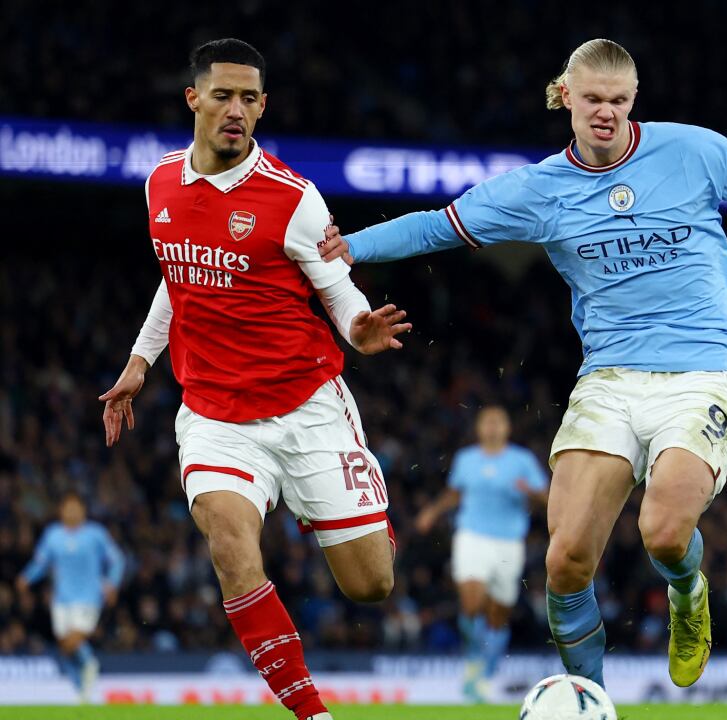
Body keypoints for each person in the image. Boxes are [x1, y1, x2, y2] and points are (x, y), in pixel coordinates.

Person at [318, 38, 727, 688]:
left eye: (618, 99)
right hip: (608, 378)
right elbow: (439, 224)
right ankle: (594, 700)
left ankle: (688, 592)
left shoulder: (691, 150)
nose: (605, 112)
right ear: (567, 99)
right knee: (565, 560)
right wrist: (350, 246)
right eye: (592, 100)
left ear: (633, 98)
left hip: (704, 372)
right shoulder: (537, 189)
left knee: (664, 533)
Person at [97, 39, 411, 720]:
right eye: (223, 96)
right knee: (230, 544)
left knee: (370, 585)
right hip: (213, 414)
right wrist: (139, 362)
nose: (236, 110)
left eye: (249, 99)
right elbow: (176, 277)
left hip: (305, 407)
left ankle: (339, 500)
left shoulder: (291, 197)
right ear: (194, 100)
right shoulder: (159, 184)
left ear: (263, 107)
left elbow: (338, 286)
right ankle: (314, 715)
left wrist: (359, 327)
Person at [414, 405, 549, 702]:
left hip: (509, 542)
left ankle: (485, 671)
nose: (492, 427)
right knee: (471, 600)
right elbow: (456, 493)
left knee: (498, 614)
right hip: (472, 536)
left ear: (507, 427)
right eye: (487, 422)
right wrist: (432, 511)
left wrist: (532, 493)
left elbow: (546, 498)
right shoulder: (467, 460)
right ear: (478, 428)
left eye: (498, 421)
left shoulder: (522, 460)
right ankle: (475, 660)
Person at [17, 492, 124, 702]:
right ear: (61, 511)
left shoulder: (96, 534)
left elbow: (117, 559)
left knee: (75, 639)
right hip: (61, 600)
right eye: (68, 507)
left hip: (89, 598)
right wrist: (26, 578)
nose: (72, 511)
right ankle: (82, 691)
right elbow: (41, 563)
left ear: (83, 511)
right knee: (65, 647)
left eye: (76, 507)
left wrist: (112, 584)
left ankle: (91, 665)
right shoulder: (52, 535)